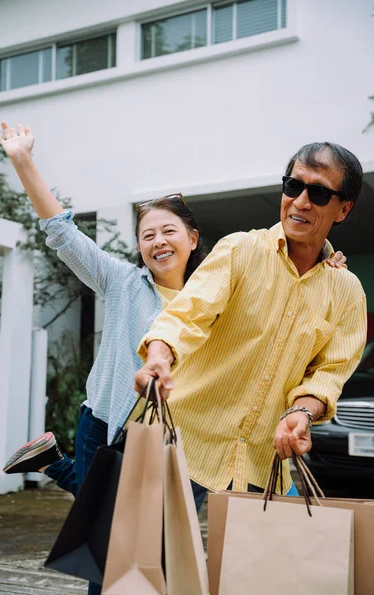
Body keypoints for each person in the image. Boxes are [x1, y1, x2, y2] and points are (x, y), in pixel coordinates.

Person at [0, 121, 206, 595]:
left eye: (169, 231)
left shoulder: (215, 299)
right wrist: (23, 160)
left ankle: (52, 462)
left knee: (159, 543)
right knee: (108, 551)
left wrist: (325, 261)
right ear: (139, 247)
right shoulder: (123, 282)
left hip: (180, 442)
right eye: (147, 234)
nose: (158, 242)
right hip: (108, 426)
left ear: (193, 238)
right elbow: (63, 234)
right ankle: (57, 464)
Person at [134, 141, 367, 512]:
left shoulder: (347, 292)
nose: (301, 201)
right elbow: (186, 314)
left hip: (261, 462)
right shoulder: (240, 250)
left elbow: (328, 375)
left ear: (344, 209)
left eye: (319, 193)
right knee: (141, 562)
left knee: (250, 569)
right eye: (293, 186)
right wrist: (158, 356)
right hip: (181, 443)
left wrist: (301, 413)